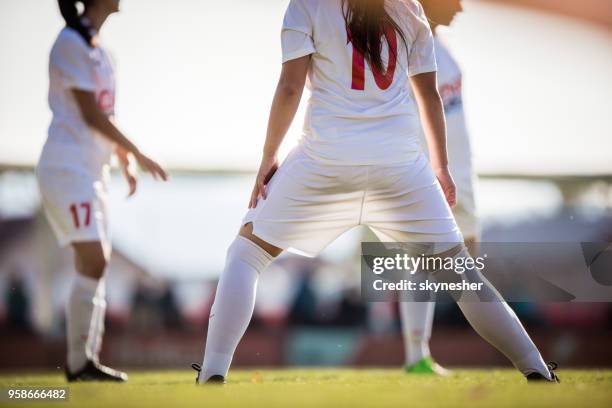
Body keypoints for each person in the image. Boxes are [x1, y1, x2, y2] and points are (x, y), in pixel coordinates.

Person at [195, 0, 558, 384]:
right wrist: (442, 168)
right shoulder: (409, 7)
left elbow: (290, 87)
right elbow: (429, 96)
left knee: (247, 254)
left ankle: (213, 372)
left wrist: (269, 156)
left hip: (325, 157)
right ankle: (536, 367)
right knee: (462, 276)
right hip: (400, 164)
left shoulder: (307, 4)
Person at [37, 0, 168, 382]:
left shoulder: (103, 51)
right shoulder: (69, 43)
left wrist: (124, 159)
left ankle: (84, 361)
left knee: (98, 262)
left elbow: (106, 117)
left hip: (92, 172)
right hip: (67, 168)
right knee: (93, 260)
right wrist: (140, 154)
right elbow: (90, 115)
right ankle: (80, 363)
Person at [400, 0, 480, 375]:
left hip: (461, 173)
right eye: (454, 0)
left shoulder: (440, 43)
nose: (461, 7)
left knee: (467, 263)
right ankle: (417, 356)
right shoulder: (406, 44)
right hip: (431, 174)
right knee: (423, 259)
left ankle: (422, 354)